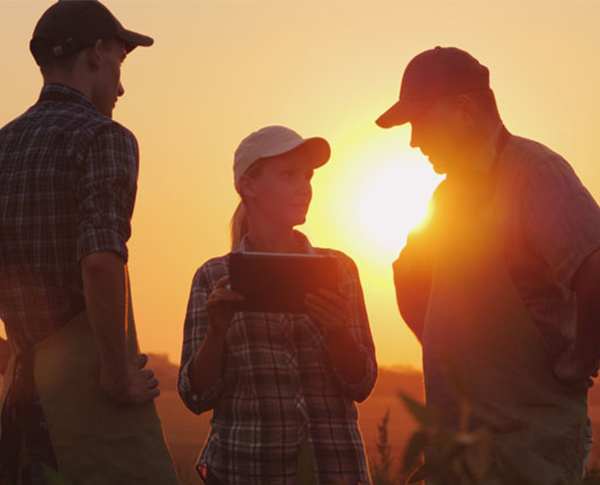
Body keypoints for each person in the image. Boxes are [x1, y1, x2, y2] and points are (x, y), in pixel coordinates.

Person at [376, 46, 600, 484]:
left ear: (463, 111)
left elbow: (596, 265)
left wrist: (583, 358)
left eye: (420, 121)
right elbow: (408, 277)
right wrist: (445, 349)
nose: (414, 140)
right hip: (457, 449)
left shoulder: (536, 173)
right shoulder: (446, 198)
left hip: (527, 450)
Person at [0, 2, 178, 484]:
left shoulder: (3, 144)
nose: (121, 86)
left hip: (18, 407)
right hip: (92, 408)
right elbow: (100, 261)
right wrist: (117, 373)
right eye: (119, 63)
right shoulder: (103, 137)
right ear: (97, 54)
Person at [178, 126, 378, 485]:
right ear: (248, 187)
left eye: (308, 175)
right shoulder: (213, 278)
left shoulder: (340, 269)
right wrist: (216, 332)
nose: (305, 187)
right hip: (245, 470)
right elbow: (195, 395)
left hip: (334, 470)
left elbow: (361, 383)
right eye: (288, 175)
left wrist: (338, 332)